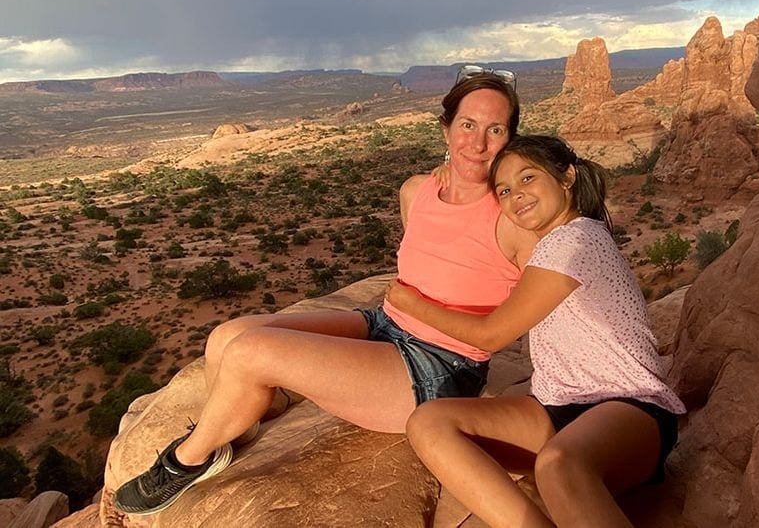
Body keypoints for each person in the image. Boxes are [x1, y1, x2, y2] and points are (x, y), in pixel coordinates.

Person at [114, 68, 537, 516]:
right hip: (385, 325)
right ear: (445, 127)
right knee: (226, 336)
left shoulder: (514, 215)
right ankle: (238, 423)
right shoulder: (417, 191)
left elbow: (544, 295)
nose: (478, 142)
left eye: (496, 129)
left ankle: (185, 461)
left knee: (250, 353)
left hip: (438, 367)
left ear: (511, 138)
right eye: (467, 125)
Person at [387, 135, 686, 528]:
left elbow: (491, 334)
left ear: (567, 177)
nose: (517, 196)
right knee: (430, 422)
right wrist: (451, 174)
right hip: (554, 408)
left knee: (559, 465)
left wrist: (411, 304)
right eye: (505, 190)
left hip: (628, 409)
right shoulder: (547, 247)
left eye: (528, 179)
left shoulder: (576, 239)